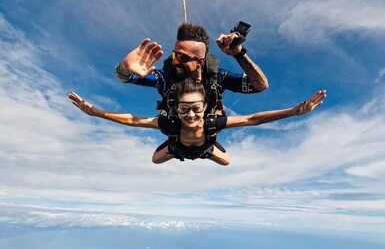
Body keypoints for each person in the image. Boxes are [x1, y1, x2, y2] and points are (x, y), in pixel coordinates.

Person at [68, 78, 326, 166]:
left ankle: (205, 152)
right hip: (178, 147)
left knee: (227, 162)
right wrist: (97, 112)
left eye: (196, 109)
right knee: (155, 161)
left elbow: (252, 119)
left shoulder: (214, 122)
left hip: (204, 146)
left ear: (205, 108)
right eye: (183, 109)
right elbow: (133, 121)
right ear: (176, 109)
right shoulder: (169, 123)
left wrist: (294, 111)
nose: (190, 115)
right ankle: (185, 152)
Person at [114, 22, 269, 104]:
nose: (175, 61)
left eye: (183, 57)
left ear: (201, 62)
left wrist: (239, 55)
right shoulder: (165, 77)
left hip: (206, 132)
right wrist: (125, 67)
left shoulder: (217, 77)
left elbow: (260, 86)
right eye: (174, 54)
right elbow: (125, 78)